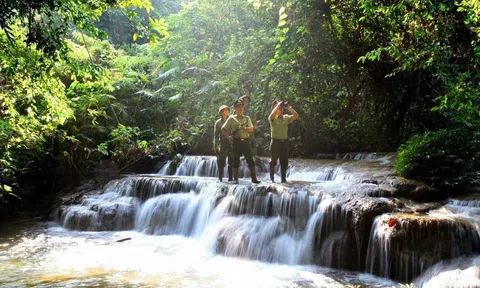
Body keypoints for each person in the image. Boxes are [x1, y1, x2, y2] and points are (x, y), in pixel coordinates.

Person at [221, 99, 260, 184]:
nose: (240, 108)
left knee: (250, 160)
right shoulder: (231, 118)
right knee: (235, 160)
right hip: (236, 142)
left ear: (243, 108)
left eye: (241, 107)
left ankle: (254, 178)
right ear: (235, 109)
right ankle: (236, 179)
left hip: (246, 141)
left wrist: (245, 128)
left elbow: (252, 129)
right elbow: (223, 129)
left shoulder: (247, 118)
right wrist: (228, 137)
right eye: (238, 107)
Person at [268, 100, 299, 183]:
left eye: (280, 107)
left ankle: (283, 179)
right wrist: (277, 105)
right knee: (273, 161)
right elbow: (272, 115)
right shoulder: (273, 118)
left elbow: (296, 116)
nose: (279, 108)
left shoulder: (286, 117)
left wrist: (288, 108)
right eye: (277, 107)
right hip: (275, 142)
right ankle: (272, 179)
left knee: (284, 161)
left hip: (283, 142)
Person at [214, 105, 233, 182]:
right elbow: (216, 135)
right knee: (221, 161)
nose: (225, 112)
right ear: (220, 112)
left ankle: (231, 178)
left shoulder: (232, 120)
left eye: (226, 110)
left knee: (231, 161)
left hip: (231, 143)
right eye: (223, 110)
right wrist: (215, 145)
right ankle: (220, 177)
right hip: (222, 143)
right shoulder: (218, 122)